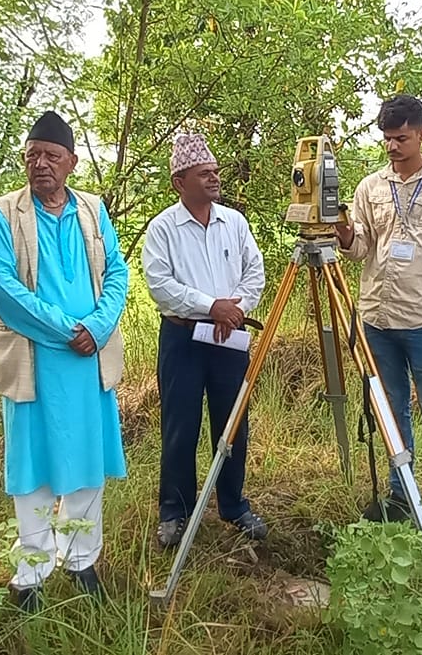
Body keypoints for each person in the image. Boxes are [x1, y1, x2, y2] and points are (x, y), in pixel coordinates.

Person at [0, 110, 129, 611]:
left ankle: (82, 560)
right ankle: (33, 574)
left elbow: (118, 273)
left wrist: (98, 325)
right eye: (32, 155)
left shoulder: (92, 209)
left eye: (50, 155)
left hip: (88, 360)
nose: (40, 164)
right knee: (34, 466)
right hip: (34, 358)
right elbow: (3, 288)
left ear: (71, 162)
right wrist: (70, 329)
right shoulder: (3, 213)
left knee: (88, 461)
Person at [332, 94, 422, 564]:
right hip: (378, 318)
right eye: (387, 139)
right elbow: (361, 251)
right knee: (391, 414)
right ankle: (400, 499)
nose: (393, 147)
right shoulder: (370, 186)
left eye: (402, 138)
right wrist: (344, 234)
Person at [141, 132, 268, 548]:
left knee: (232, 425)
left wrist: (235, 310)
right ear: (180, 182)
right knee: (181, 426)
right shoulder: (162, 228)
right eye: (204, 173)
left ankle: (233, 505)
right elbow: (159, 285)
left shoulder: (234, 222)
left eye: (215, 172)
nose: (214, 178)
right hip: (183, 339)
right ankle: (175, 512)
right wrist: (210, 305)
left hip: (229, 338)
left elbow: (255, 270)